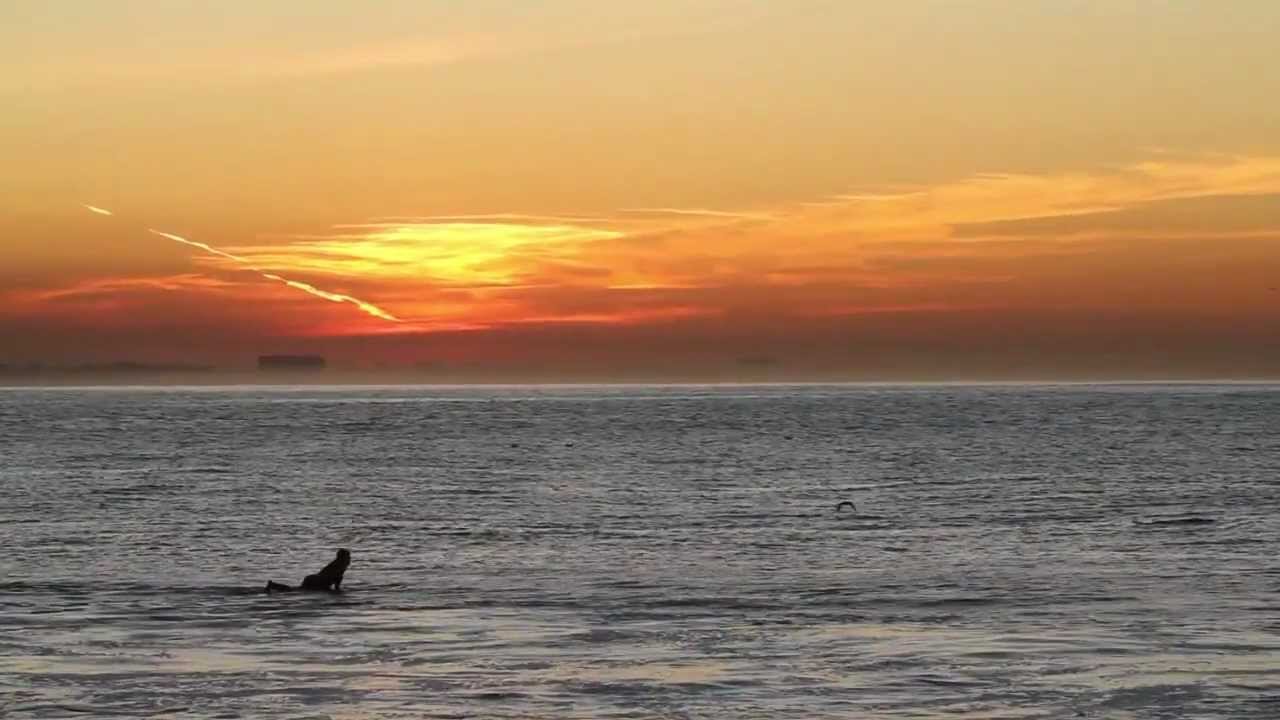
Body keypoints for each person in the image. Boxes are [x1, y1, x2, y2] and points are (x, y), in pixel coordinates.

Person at [265, 548, 351, 593]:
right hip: (316, 581)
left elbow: (332, 584)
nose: (350, 559)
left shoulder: (335, 565)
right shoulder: (339, 568)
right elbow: (336, 586)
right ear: (344, 558)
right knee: (295, 591)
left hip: (313, 579)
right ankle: (273, 586)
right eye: (348, 557)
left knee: (295, 590)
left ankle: (274, 585)